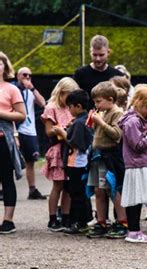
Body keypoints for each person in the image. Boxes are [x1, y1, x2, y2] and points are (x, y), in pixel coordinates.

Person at [118, 85, 147, 243]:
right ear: (140, 103)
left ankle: (135, 230)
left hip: (139, 163)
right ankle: (133, 231)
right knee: (135, 199)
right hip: (137, 164)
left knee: (137, 199)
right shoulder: (133, 122)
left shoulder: (137, 120)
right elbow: (138, 145)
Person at [86, 82, 128, 239]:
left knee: (113, 189)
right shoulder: (102, 112)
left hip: (110, 157)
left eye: (98, 101)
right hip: (98, 156)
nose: (96, 105)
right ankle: (101, 221)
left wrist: (101, 123)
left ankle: (122, 221)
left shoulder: (117, 113)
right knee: (99, 190)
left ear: (110, 99)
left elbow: (117, 135)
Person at [41, 77, 78, 232]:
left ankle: (66, 215)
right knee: (58, 185)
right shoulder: (51, 108)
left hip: (70, 149)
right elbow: (49, 131)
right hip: (58, 149)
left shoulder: (71, 108)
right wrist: (61, 129)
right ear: (60, 92)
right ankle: (52, 218)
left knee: (68, 186)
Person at [56, 89, 94, 234]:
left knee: (77, 193)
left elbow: (75, 143)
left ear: (78, 106)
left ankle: (78, 222)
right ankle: (83, 220)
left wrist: (63, 133)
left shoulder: (79, 122)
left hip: (76, 162)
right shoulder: (85, 119)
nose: (69, 110)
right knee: (80, 192)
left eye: (70, 107)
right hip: (80, 162)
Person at [0, 51, 26, 234]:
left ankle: (8, 220)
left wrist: (1, 114)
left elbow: (22, 115)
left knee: (6, 178)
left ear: (5, 67)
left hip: (3, 139)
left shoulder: (12, 89)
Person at [14, 67, 47, 200]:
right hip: (17, 128)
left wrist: (32, 88)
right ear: (18, 76)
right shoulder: (13, 89)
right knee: (8, 160)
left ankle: (32, 190)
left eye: (30, 75)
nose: (27, 77)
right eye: (24, 75)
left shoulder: (31, 91)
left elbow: (43, 103)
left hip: (30, 130)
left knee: (31, 161)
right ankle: (3, 188)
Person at [74, 35, 124, 110]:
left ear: (108, 52)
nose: (98, 59)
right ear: (90, 52)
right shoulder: (80, 74)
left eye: (101, 55)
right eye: (94, 55)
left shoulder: (117, 75)